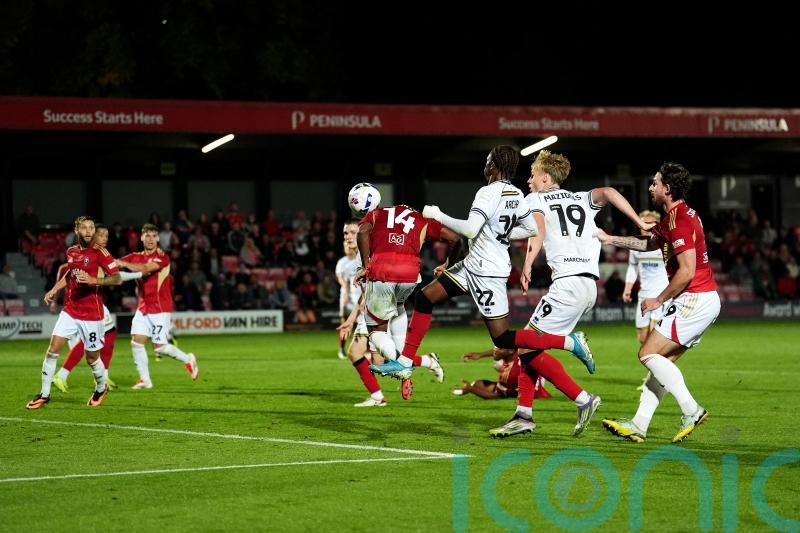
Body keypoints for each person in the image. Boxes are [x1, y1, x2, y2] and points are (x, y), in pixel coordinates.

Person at [372, 146, 595, 403]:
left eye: (488, 160)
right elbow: (531, 228)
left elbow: (469, 229)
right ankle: (405, 362)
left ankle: (570, 343)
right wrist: (499, 234)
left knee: (502, 338)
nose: (485, 164)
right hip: (473, 265)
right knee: (425, 297)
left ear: (494, 166)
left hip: (487, 272)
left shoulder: (488, 192)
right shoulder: (517, 194)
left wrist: (437, 215)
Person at [490, 149, 652, 438]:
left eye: (532, 175)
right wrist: (638, 223)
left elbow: (537, 229)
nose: (528, 181)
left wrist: (527, 263)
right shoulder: (581, 198)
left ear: (545, 177)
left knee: (525, 345)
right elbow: (610, 192)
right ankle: (523, 414)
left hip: (567, 284)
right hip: (588, 284)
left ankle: (580, 389)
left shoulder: (535, 199)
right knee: (530, 348)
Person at [596, 161, 720, 443]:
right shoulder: (674, 218)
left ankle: (692, 409)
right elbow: (647, 244)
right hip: (702, 299)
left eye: (655, 183)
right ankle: (639, 424)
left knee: (647, 353)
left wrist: (657, 300)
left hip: (695, 298)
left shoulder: (680, 221)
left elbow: (686, 271)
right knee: (662, 363)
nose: (651, 187)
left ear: (667, 188)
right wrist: (610, 239)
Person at [347, 187, 463, 401]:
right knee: (398, 309)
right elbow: (456, 239)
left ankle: (406, 367)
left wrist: (365, 266)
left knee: (376, 332)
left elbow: (363, 231)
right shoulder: (420, 218)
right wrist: (448, 265)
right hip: (411, 276)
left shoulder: (376, 215)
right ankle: (423, 361)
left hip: (383, 273)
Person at [26, 216, 121, 409]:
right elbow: (71, 274)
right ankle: (44, 394)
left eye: (91, 227)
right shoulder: (71, 252)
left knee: (92, 358)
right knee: (52, 350)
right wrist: (54, 290)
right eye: (84, 228)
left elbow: (117, 278)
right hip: (70, 310)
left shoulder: (100, 253)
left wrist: (95, 280)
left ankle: (100, 388)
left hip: (92, 314)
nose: (88, 231)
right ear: (77, 231)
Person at [48, 224, 143, 393]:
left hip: (93, 302)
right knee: (99, 337)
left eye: (106, 236)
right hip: (90, 304)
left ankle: (99, 375)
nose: (104, 239)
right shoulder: (95, 254)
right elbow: (118, 277)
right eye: (101, 236)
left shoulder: (99, 254)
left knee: (104, 335)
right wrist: (139, 274)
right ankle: (64, 375)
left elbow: (115, 275)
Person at [116, 223, 199, 389]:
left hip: (160, 308)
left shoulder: (162, 257)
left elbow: (146, 269)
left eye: (154, 236)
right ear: (141, 237)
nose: (151, 239)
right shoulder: (134, 256)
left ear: (158, 238)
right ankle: (145, 380)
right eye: (147, 235)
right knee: (136, 342)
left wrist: (122, 263)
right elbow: (113, 266)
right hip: (143, 306)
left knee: (159, 348)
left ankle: (188, 359)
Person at [623, 210, 670, 345]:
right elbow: (632, 267)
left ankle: (660, 362)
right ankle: (654, 361)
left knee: (656, 336)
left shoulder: (665, 244)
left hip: (661, 296)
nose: (646, 226)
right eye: (643, 223)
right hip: (643, 295)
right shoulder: (636, 245)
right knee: (643, 337)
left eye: (650, 224)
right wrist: (627, 290)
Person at [452, 346, 551, 400]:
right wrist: (480, 354)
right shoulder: (518, 350)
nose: (495, 351)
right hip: (531, 377)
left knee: (480, 385)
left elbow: (497, 396)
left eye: (499, 349)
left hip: (531, 392)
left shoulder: (511, 373)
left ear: (511, 351)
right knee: (478, 383)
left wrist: (471, 389)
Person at [335, 220, 362, 359]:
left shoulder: (362, 257)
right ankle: (342, 348)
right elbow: (341, 279)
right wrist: (345, 292)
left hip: (360, 297)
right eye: (346, 234)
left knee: (361, 325)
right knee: (345, 324)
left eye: (352, 233)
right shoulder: (342, 262)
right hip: (347, 297)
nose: (348, 238)